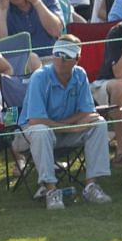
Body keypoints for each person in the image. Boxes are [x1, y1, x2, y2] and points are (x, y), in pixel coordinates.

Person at [19, 35, 114, 211]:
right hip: (30, 135)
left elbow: (87, 111)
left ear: (77, 59)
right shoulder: (39, 77)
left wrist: (68, 126)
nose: (61, 59)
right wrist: (72, 126)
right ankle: (51, 191)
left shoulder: (80, 75)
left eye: (67, 55)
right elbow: (35, 120)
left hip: (62, 132)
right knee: (41, 131)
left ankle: (91, 186)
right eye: (58, 53)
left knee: (99, 123)